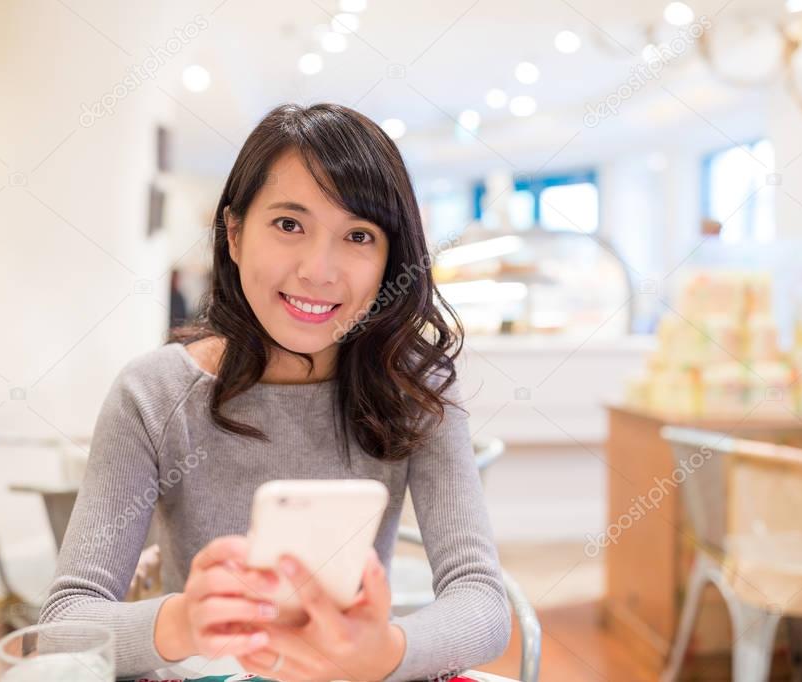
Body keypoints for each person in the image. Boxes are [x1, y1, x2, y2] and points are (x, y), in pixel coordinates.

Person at [39, 103, 511, 682]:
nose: (319, 269)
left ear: (390, 262)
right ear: (234, 234)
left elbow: (482, 602)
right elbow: (63, 628)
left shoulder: (413, 385)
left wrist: (384, 651)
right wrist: (184, 621)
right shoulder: (153, 394)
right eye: (289, 224)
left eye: (358, 235)